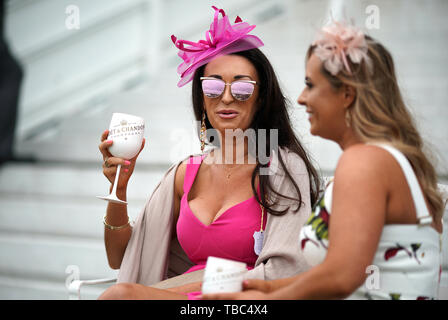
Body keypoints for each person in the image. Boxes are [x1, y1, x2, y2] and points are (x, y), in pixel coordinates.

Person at [203, 21, 445, 300]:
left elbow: (344, 276)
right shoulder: (384, 159)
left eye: (310, 85)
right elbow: (343, 269)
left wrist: (267, 300)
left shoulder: (364, 162)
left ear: (346, 94)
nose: (301, 98)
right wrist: (267, 287)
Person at [97, 6, 321, 300]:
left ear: (261, 97)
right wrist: (119, 188)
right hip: (179, 299)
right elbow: (122, 258)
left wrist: (171, 291)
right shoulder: (185, 174)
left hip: (241, 301)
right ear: (202, 99)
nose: (226, 97)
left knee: (120, 297)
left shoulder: (282, 168)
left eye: (242, 87)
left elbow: (284, 271)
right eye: (213, 86)